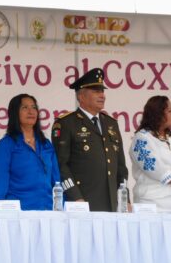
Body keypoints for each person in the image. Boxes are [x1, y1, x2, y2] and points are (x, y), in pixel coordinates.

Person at [51, 67, 128, 211]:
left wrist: (125, 199)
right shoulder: (67, 123)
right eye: (96, 91)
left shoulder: (111, 123)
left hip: (112, 204)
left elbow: (121, 167)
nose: (102, 95)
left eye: (102, 91)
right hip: (82, 203)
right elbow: (61, 166)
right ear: (81, 96)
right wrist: (75, 197)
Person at [0, 94, 60, 210]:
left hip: (47, 211)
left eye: (34, 107)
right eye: (25, 107)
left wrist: (62, 209)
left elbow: (57, 182)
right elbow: (0, 184)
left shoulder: (46, 144)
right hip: (19, 214)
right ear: (15, 113)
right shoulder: (6, 145)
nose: (31, 111)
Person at [129, 96, 171, 212]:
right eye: (169, 111)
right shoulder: (141, 138)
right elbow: (152, 166)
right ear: (157, 114)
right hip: (153, 205)